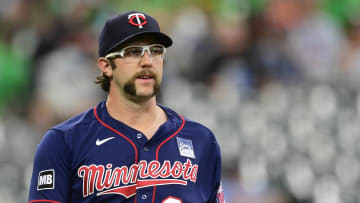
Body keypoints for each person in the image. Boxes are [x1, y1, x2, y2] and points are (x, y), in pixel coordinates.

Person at [28, 10, 224, 203]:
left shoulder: (201, 141)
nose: (147, 62)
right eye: (133, 52)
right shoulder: (64, 141)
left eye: (155, 51)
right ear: (106, 66)